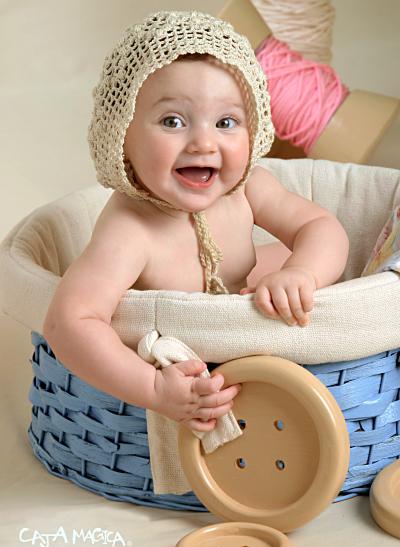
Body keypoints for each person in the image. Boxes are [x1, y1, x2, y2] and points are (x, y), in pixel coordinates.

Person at [43, 11, 349, 434]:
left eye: (226, 123)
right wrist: (153, 388)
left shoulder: (246, 187)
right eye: (173, 121)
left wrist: (303, 273)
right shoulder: (131, 227)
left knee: (306, 274)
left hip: (246, 326)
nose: (204, 142)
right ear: (122, 137)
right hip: (190, 366)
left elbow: (321, 226)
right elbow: (68, 322)